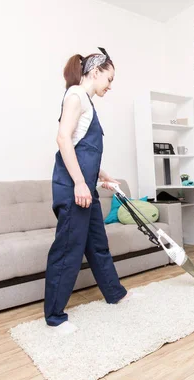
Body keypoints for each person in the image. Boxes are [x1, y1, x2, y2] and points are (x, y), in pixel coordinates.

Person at [44, 47, 135, 334]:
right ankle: (55, 316)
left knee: (97, 244)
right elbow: (63, 139)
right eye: (109, 79)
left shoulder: (86, 102)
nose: (110, 86)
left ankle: (115, 293)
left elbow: (84, 148)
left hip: (86, 189)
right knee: (69, 250)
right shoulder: (75, 96)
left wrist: (101, 176)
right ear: (95, 73)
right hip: (74, 191)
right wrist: (81, 183)